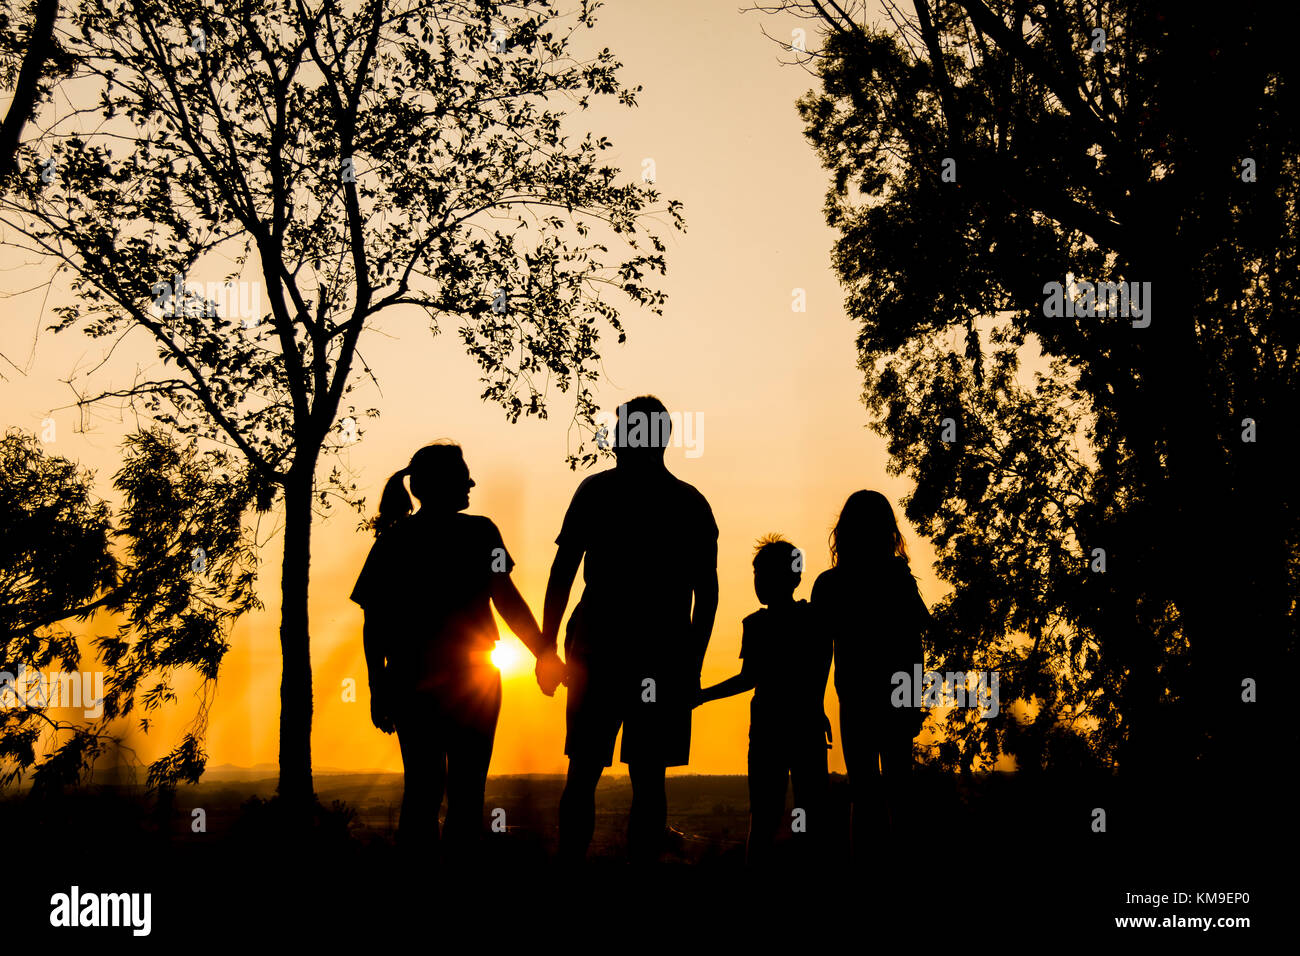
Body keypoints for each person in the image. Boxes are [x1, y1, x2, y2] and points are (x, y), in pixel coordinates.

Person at [350, 441, 565, 859]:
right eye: (463, 475)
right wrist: (542, 651)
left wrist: (379, 687)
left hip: (413, 678)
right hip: (473, 680)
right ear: (443, 483)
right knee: (466, 793)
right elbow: (507, 600)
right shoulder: (481, 532)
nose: (471, 481)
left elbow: (374, 624)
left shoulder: (394, 541)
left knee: (423, 790)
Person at [543, 396, 718, 862]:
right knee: (647, 776)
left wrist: (545, 645)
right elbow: (709, 596)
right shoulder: (689, 503)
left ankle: (572, 870)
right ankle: (637, 877)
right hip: (657, 658)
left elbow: (563, 570)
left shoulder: (596, 492)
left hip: (599, 651)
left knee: (584, 771)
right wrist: (692, 664)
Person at [695, 535, 832, 864]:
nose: (758, 580)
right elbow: (819, 665)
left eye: (764, 573)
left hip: (775, 731)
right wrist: (817, 705)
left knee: (771, 817)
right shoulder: (811, 619)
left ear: (791, 576)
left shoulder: (763, 624)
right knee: (797, 815)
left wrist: (702, 696)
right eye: (757, 573)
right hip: (795, 729)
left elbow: (749, 678)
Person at [811, 490, 929, 858]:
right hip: (893, 698)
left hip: (858, 700)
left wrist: (817, 705)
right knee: (899, 792)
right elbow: (918, 640)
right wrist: (913, 699)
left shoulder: (831, 584)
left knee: (864, 794)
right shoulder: (898, 580)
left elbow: (819, 655)